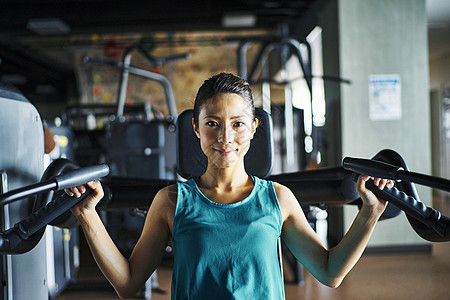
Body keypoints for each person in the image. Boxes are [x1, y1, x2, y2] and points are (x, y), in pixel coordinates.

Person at [66, 72, 394, 299]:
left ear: (253, 128)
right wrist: (88, 217)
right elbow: (127, 283)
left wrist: (370, 212)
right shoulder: (171, 201)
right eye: (213, 124)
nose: (225, 138)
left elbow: (329, 272)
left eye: (237, 124)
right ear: (195, 128)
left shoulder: (278, 199)